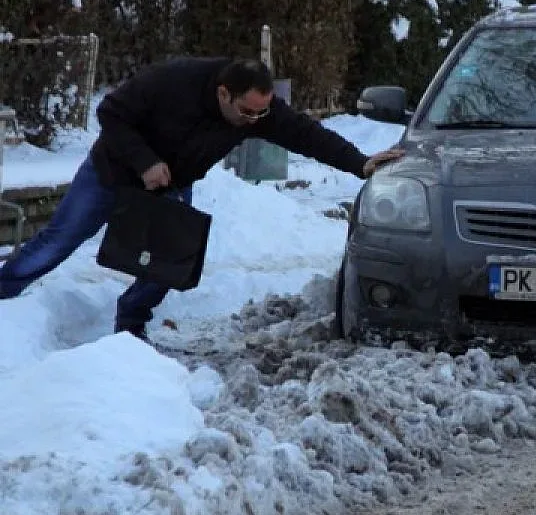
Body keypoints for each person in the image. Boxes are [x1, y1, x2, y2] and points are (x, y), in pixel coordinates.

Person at [0, 56, 404, 340]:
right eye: (247, 112)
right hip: (112, 172)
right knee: (60, 239)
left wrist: (359, 162)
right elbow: (111, 113)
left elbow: (307, 135)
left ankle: (131, 326)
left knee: (171, 259)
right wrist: (145, 162)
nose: (254, 121)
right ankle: (5, 296)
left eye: (262, 114)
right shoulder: (171, 81)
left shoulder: (256, 111)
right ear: (224, 94)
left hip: (172, 184)